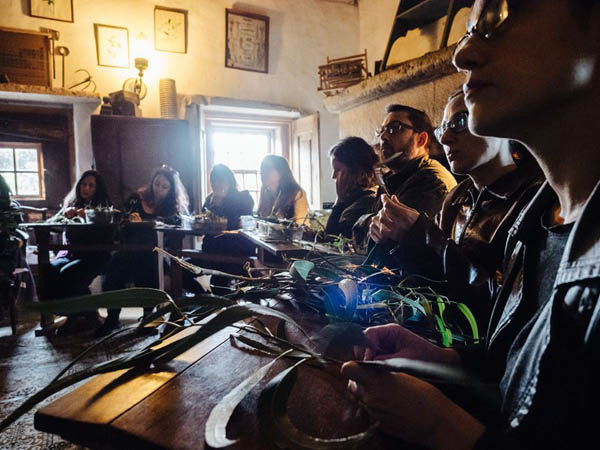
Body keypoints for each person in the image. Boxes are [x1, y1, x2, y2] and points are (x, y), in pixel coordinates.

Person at [341, 1, 600, 449]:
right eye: (467, 29)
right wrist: (445, 360)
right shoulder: (537, 220)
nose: (462, 54)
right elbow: (519, 367)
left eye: (498, 14)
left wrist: (441, 426)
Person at [369, 90, 543, 325]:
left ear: (501, 123)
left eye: (460, 122)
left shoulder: (534, 201)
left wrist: (420, 233)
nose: (444, 138)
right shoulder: (458, 197)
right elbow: (435, 280)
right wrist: (397, 237)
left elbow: (505, 306)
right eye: (443, 128)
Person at [97, 165, 189, 336]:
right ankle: (112, 318)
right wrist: (129, 221)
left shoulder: (172, 208)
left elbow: (177, 231)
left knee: (150, 267)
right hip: (130, 250)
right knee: (113, 271)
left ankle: (148, 319)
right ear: (151, 182)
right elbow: (121, 221)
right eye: (157, 184)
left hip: (156, 253)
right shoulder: (136, 199)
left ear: (171, 190)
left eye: (164, 187)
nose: (159, 189)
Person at [352, 104, 457, 252]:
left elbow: (384, 247)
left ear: (421, 139)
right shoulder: (393, 179)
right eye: (382, 130)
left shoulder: (431, 181)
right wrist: (369, 220)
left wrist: (367, 221)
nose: (383, 137)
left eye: (394, 128)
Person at [46, 170, 113, 335]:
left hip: (95, 256)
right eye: (84, 184)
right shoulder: (72, 204)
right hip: (69, 254)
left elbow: (105, 235)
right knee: (50, 270)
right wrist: (65, 215)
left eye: (91, 186)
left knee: (69, 274)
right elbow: (51, 224)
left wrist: (87, 218)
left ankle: (79, 317)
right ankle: (81, 315)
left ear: (97, 189)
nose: (86, 188)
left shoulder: (103, 208)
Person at [324, 137, 378, 240]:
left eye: (338, 170)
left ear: (357, 171)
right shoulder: (353, 198)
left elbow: (332, 238)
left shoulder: (367, 201)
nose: (333, 176)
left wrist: (339, 201)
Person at [257, 155, 308, 225]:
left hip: (292, 231)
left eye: (268, 169)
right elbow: (261, 220)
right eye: (262, 170)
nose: (263, 173)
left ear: (281, 172)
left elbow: (301, 225)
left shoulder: (297, 193)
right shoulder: (265, 190)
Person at [203, 164, 254, 230]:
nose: (216, 184)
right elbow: (202, 223)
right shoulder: (209, 200)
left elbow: (243, 225)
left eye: (220, 180)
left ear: (229, 182)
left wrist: (220, 206)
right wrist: (212, 208)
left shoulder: (244, 199)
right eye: (213, 181)